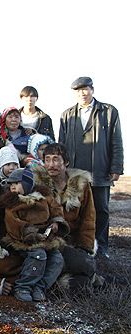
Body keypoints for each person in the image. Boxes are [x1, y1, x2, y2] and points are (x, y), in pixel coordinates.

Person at [59, 76, 123, 259]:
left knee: (101, 210)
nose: (82, 93)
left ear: (92, 90)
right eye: (78, 91)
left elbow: (116, 141)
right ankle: (79, 246)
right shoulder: (67, 114)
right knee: (74, 209)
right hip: (75, 174)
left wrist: (116, 166)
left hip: (100, 171)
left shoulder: (109, 112)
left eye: (85, 89)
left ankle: (101, 247)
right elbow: (61, 144)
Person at [0, 168, 68, 302]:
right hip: (23, 239)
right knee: (39, 255)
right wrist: (31, 233)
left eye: (16, 184)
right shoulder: (12, 202)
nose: (13, 187)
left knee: (57, 259)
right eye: (11, 185)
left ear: (27, 183)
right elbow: (13, 223)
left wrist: (56, 222)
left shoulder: (44, 196)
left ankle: (40, 286)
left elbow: (56, 209)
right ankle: (24, 286)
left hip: (46, 236)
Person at [43, 143, 101, 289]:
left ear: (66, 162)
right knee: (85, 272)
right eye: (47, 159)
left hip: (73, 242)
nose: (51, 164)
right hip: (49, 243)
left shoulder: (81, 185)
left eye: (56, 159)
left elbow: (88, 218)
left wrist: (84, 248)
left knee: (86, 266)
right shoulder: (39, 184)